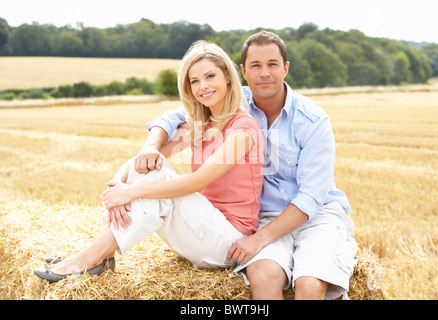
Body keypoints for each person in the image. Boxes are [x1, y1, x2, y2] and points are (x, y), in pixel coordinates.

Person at [138, 31, 358, 300]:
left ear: (285, 68)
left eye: (272, 64)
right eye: (255, 65)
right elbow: (175, 116)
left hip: (318, 216)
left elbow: (310, 198)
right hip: (265, 216)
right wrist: (150, 146)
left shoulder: (313, 121)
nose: (264, 73)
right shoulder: (232, 99)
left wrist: (259, 239)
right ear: (242, 72)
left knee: (309, 285)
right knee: (263, 276)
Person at [34, 40, 264, 282]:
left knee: (157, 177)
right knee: (151, 164)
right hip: (199, 232)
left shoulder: (243, 128)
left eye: (210, 76)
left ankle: (90, 258)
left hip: (227, 243)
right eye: (194, 81)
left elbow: (197, 182)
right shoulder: (201, 125)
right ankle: (99, 254)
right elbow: (143, 161)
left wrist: (131, 192)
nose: (202, 86)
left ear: (227, 76)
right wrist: (117, 185)